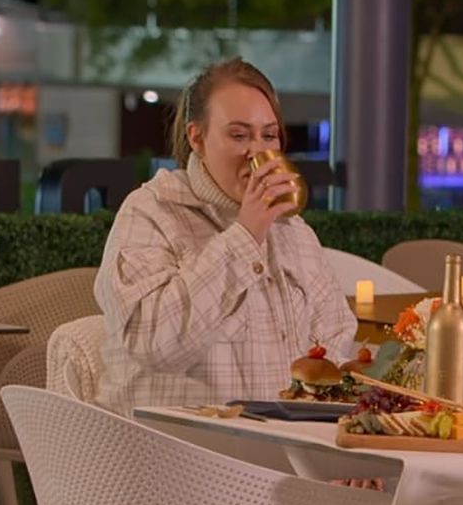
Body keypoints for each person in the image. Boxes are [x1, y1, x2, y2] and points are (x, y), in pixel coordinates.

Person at [94, 58, 356, 416]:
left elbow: (337, 344)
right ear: (196, 138)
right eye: (239, 135)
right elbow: (153, 342)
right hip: (177, 451)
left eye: (269, 135)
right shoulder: (150, 212)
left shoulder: (294, 232)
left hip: (277, 451)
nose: (257, 152)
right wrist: (245, 235)